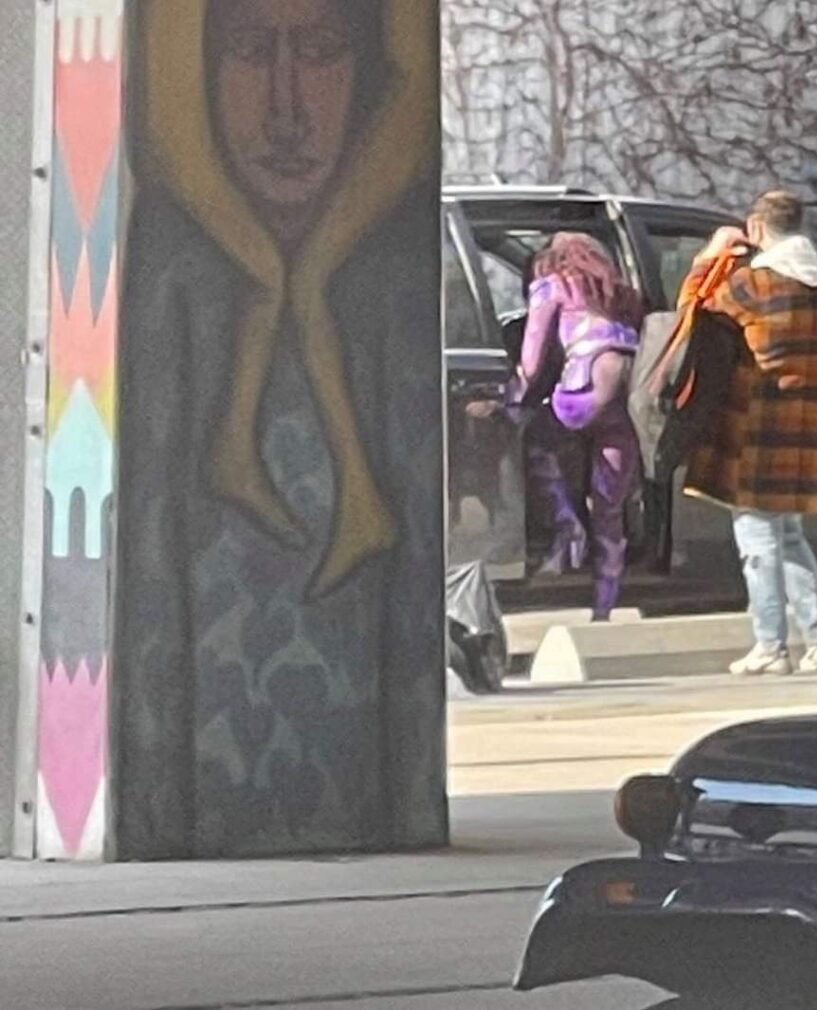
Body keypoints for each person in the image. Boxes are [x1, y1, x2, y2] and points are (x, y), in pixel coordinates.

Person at [116, 0, 445, 856]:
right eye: (248, 53)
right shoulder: (168, 290)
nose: (288, 111)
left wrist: (296, 280)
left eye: (326, 52)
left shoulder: (392, 291)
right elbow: (165, 127)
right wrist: (275, 281)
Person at [678, 191, 817, 675]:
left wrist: (710, 256)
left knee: (757, 536)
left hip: (759, 424)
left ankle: (770, 646)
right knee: (789, 534)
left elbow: (690, 316)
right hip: (811, 425)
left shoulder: (753, 284)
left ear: (756, 228)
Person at [513, 232, 643, 621]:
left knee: (535, 438)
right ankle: (603, 608)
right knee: (609, 509)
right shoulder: (620, 294)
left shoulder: (553, 285)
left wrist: (512, 396)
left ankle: (567, 524)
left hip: (580, 394)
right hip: (625, 401)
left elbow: (532, 358)